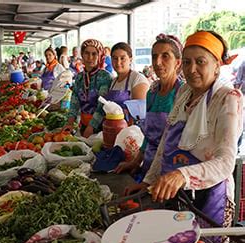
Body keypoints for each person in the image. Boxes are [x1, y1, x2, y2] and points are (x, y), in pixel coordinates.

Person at [126, 30, 243, 228]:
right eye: (187, 62)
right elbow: (165, 143)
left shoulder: (228, 98)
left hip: (207, 198)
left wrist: (182, 175)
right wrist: (149, 181)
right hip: (176, 195)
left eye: (201, 61)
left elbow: (225, 162)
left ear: (216, 64)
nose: (191, 69)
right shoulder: (184, 92)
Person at [115, 34, 183, 178]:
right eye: (154, 56)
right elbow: (148, 136)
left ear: (178, 62)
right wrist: (135, 162)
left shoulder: (182, 94)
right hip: (148, 166)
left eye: (165, 56)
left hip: (170, 172)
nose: (158, 62)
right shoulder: (152, 93)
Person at [67, 39, 112, 137]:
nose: (90, 57)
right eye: (86, 53)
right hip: (83, 125)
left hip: (101, 128)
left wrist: (92, 126)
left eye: (94, 54)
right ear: (82, 55)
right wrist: (69, 123)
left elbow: (102, 105)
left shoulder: (105, 77)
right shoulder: (79, 77)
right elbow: (74, 101)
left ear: (99, 56)